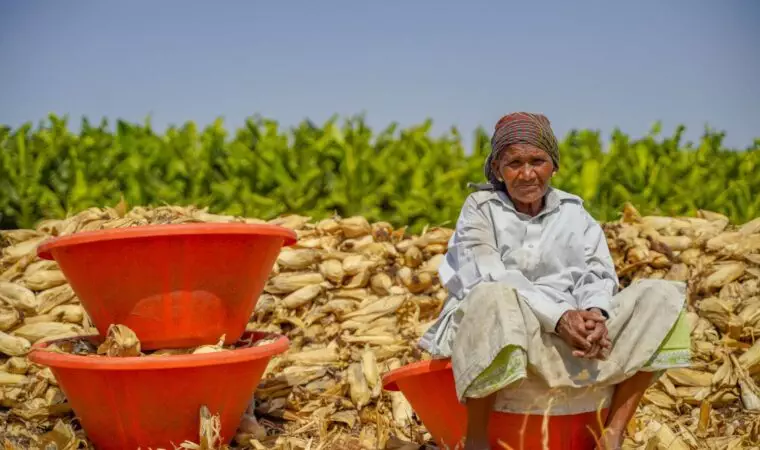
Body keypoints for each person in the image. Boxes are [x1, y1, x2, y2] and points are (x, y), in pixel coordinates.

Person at [418, 112, 691, 450]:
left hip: (573, 331)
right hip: (507, 330)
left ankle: (612, 432)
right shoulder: (480, 209)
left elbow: (598, 272)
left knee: (662, 296)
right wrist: (559, 316)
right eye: (514, 163)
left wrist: (595, 314)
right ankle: (477, 439)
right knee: (493, 295)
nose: (527, 173)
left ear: (554, 166)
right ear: (498, 170)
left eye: (538, 161)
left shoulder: (574, 213)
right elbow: (487, 272)